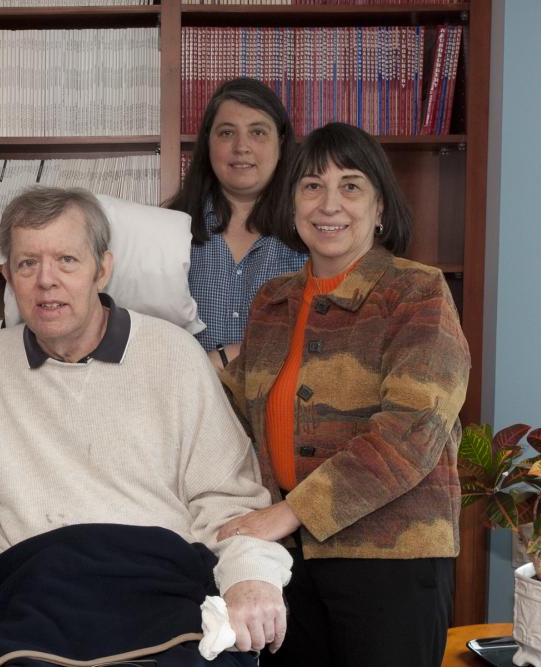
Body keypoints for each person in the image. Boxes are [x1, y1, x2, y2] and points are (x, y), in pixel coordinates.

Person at [0, 186, 292, 666]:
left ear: (103, 268)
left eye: (67, 261)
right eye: (27, 264)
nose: (46, 281)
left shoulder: (174, 355)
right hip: (30, 593)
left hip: (162, 586)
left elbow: (229, 500)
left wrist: (250, 576)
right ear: (7, 277)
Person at [218, 122, 470, 667]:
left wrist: (288, 513)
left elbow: (410, 433)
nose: (329, 203)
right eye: (311, 186)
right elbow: (231, 413)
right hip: (285, 562)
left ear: (380, 209)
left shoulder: (418, 292)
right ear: (291, 206)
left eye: (351, 185)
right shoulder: (272, 301)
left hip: (391, 562)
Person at [167, 77, 307, 370]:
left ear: (280, 143)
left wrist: (226, 357)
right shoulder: (168, 231)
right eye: (227, 133)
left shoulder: (312, 232)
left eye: (258, 132)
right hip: (188, 407)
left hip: (286, 410)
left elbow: (331, 338)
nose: (241, 147)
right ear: (208, 143)